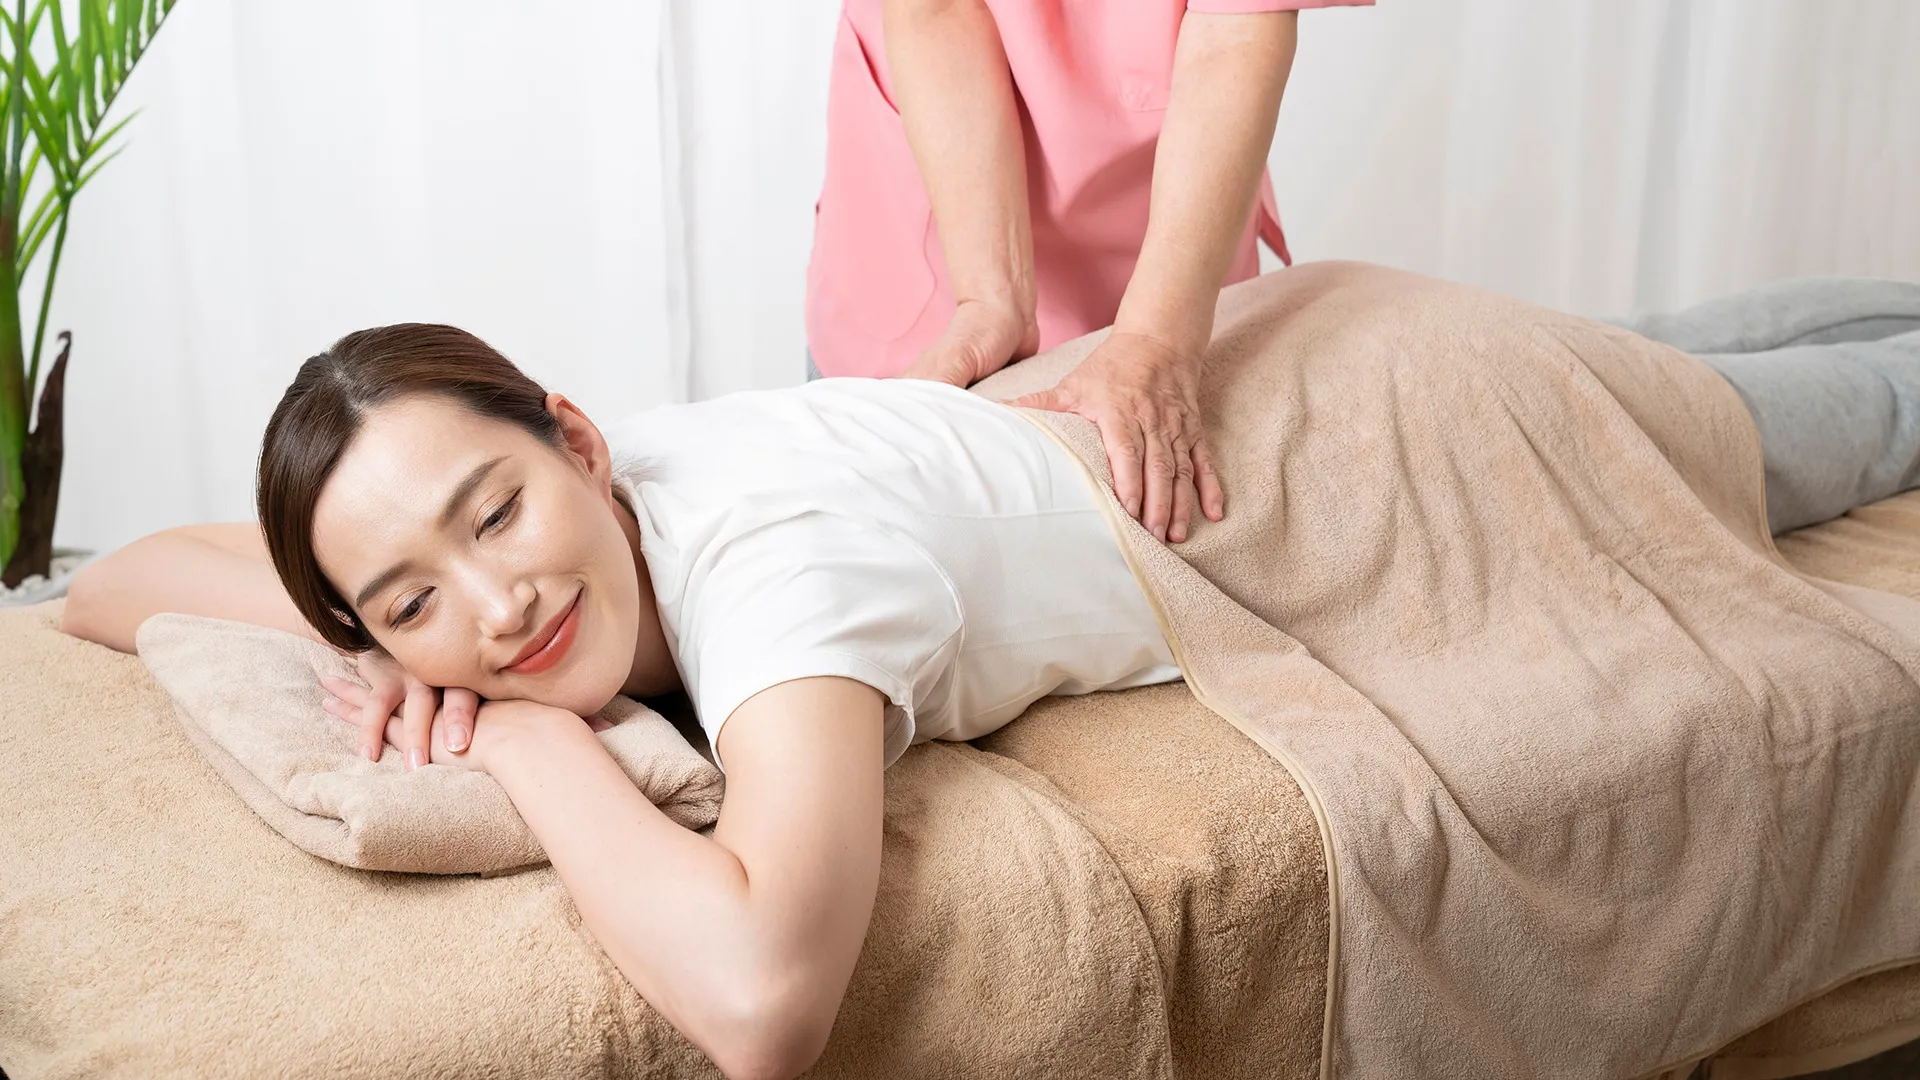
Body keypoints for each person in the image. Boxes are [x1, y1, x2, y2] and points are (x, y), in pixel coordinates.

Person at [59, 280, 1920, 1079]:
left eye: (496, 511)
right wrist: (369, 640)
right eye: (408, 601)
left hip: (1392, 449)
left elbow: (765, 1003)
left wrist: (533, 757)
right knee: (1740, 346)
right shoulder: (524, 554)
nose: (497, 603)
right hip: (1283, 375)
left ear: (578, 436)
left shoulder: (772, 575)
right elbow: (115, 584)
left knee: (1836, 414)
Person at [810, 0, 1370, 547]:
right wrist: (989, 299)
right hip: (936, 210)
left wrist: (1157, 342)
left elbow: (1235, 34)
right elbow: (936, 8)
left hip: (1174, 251)